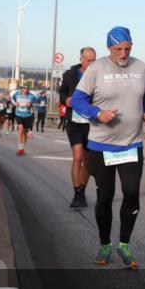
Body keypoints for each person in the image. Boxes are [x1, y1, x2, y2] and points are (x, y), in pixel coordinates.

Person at [72, 27, 145, 269]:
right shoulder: (96, 69)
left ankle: (125, 245)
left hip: (131, 143)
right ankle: (105, 243)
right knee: (105, 197)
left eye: (128, 48)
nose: (123, 53)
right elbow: (78, 100)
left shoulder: (141, 67)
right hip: (101, 145)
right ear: (109, 47)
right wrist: (98, 113)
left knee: (131, 193)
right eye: (118, 49)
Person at [59, 47, 97, 208]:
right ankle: (77, 193)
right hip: (74, 121)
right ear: (81, 59)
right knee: (78, 156)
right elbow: (61, 92)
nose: (91, 63)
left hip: (91, 123)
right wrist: (65, 99)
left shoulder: (98, 75)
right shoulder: (70, 75)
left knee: (88, 160)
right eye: (88, 60)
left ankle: (82, 190)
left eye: (93, 60)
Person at [11, 85, 36, 155]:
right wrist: (15, 104)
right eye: (24, 88)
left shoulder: (31, 96)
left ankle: (22, 148)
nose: (26, 89)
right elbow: (12, 99)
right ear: (22, 89)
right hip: (19, 114)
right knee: (20, 130)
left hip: (28, 115)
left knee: (24, 132)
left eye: (27, 88)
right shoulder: (17, 94)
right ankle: (20, 148)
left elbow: (35, 102)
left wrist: (30, 104)